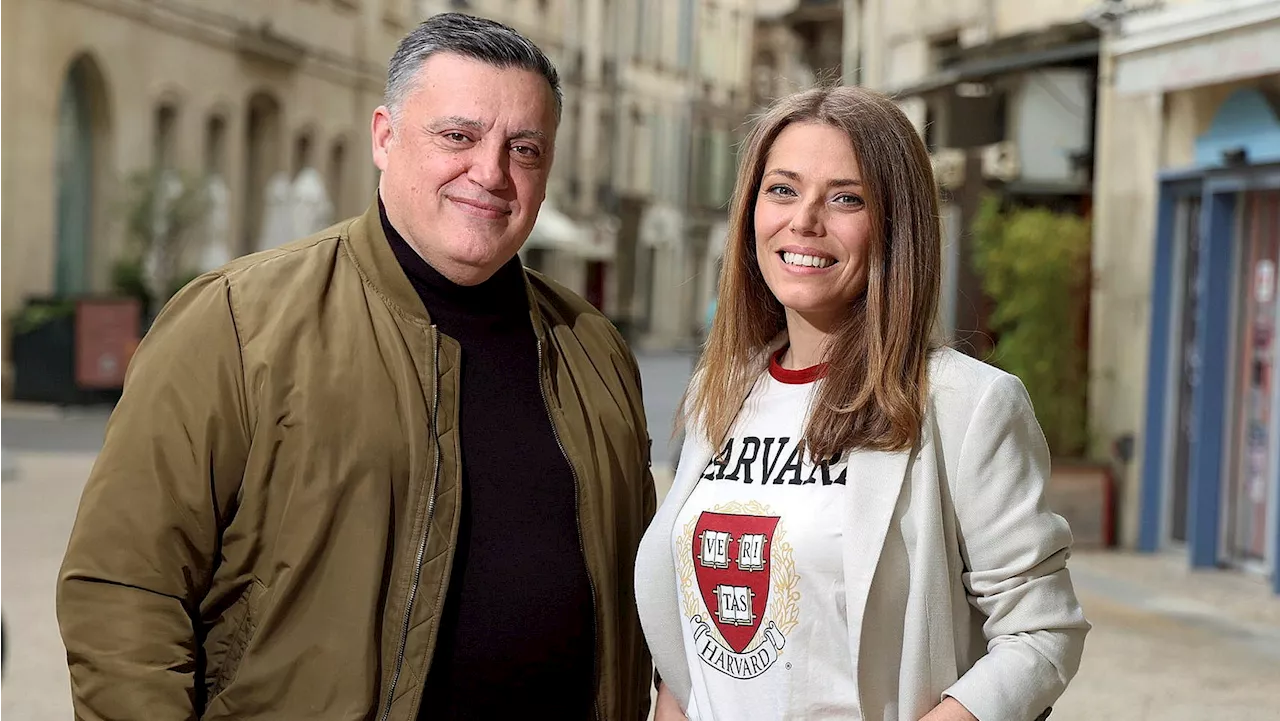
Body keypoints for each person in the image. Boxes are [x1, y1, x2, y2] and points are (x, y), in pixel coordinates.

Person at [57, 13, 656, 720]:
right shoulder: (236, 324)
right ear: (384, 136)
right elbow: (123, 590)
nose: (490, 172)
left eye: (523, 148)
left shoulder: (591, 346)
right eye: (457, 136)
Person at [634, 85, 1090, 721]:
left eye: (845, 198)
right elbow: (693, 645)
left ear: (895, 226)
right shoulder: (724, 387)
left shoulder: (965, 404)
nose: (804, 221)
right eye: (782, 190)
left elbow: (1042, 635)